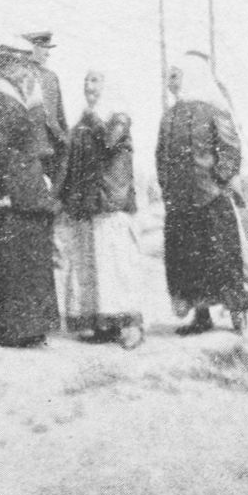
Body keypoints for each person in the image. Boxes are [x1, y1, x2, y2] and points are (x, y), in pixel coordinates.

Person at [156, 56, 248, 334]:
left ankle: (237, 312)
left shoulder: (213, 110)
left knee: (222, 258)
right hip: (180, 202)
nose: (170, 82)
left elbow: (230, 148)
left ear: (191, 75)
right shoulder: (169, 115)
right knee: (188, 260)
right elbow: (161, 155)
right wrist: (167, 187)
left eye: (175, 76)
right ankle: (201, 316)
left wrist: (218, 180)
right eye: (169, 77)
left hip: (211, 199)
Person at [0, 43, 61, 347]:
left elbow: (42, 142)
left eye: (24, 65)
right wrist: (5, 190)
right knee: (13, 261)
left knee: (35, 257)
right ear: (3, 67)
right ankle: (13, 330)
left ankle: (36, 327)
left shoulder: (29, 95)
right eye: (16, 65)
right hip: (12, 189)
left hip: (33, 187)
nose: (22, 70)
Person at [59, 70, 144, 349]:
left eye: (95, 80)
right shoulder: (84, 120)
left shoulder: (118, 117)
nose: (88, 85)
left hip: (112, 202)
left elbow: (108, 141)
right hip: (90, 203)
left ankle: (131, 326)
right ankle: (103, 324)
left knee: (117, 265)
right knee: (94, 266)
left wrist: (92, 119)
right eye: (86, 80)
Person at [21, 31, 69, 194]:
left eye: (48, 48)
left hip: (53, 147)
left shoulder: (51, 77)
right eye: (43, 47)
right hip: (30, 147)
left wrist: (66, 140)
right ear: (31, 47)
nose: (48, 53)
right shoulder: (19, 76)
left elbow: (60, 116)